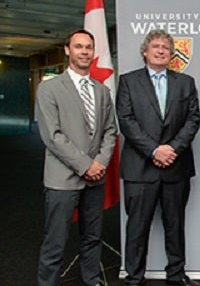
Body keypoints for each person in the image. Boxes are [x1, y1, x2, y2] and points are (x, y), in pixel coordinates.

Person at [116, 29, 200, 286]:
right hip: (139, 168)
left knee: (175, 226)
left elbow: (192, 119)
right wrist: (155, 150)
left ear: (172, 53)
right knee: (137, 227)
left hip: (176, 167)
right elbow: (126, 121)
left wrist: (171, 149)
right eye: (156, 46)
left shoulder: (185, 82)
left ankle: (176, 275)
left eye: (166, 46)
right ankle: (133, 277)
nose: (161, 50)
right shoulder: (128, 81)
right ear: (145, 51)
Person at [36, 29, 117, 286]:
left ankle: (91, 279)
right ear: (68, 50)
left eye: (89, 47)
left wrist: (100, 164)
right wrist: (86, 165)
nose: (84, 51)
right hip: (62, 180)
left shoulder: (102, 91)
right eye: (79, 46)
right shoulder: (49, 89)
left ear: (94, 52)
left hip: (95, 178)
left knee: (92, 237)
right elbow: (52, 136)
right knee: (55, 240)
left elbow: (110, 131)